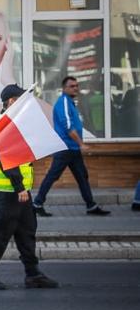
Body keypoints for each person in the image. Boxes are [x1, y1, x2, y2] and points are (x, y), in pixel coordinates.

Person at [0, 84, 59, 290]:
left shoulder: (14, 123)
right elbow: (6, 158)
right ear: (12, 102)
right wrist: (19, 186)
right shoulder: (4, 124)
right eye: (23, 100)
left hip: (18, 190)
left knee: (26, 230)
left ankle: (32, 273)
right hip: (9, 190)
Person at [32, 76, 110, 217]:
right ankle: (37, 203)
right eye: (72, 86)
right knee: (53, 176)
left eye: (76, 85)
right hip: (65, 148)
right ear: (64, 88)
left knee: (82, 176)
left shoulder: (70, 103)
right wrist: (81, 144)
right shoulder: (64, 103)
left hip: (72, 149)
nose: (76, 88)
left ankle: (91, 206)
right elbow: (68, 126)